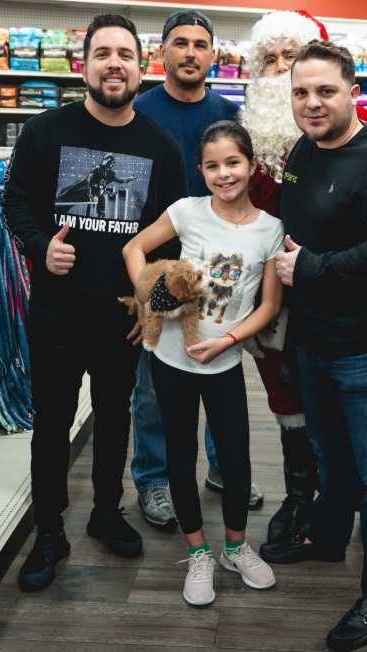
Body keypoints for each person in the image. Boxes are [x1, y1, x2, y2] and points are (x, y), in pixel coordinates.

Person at [2, 13, 188, 591]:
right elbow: (16, 205)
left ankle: (106, 512)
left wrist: (153, 305)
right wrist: (40, 249)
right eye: (103, 53)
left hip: (122, 318)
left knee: (114, 420)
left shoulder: (160, 146)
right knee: (51, 425)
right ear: (84, 64)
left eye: (125, 55)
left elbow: (177, 236)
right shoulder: (44, 132)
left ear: (141, 67)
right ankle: (49, 531)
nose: (115, 64)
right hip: (57, 311)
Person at [259, 40, 367, 652]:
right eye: (301, 92)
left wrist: (315, 270)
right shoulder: (302, 149)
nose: (312, 103)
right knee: (329, 452)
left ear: (355, 93)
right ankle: (327, 539)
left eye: (325, 91)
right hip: (316, 338)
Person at [239, 9, 367, 544]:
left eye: (291, 57)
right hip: (270, 290)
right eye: (270, 60)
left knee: (337, 404)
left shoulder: (362, 128)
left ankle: (334, 502)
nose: (281, 71)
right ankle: (300, 496)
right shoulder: (251, 134)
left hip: (339, 294)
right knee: (284, 394)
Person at [123, 120, 284, 606]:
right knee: (179, 458)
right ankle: (198, 553)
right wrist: (151, 296)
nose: (223, 173)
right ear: (201, 170)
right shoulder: (187, 212)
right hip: (171, 361)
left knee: (236, 463)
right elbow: (134, 248)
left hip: (224, 363)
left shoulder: (271, 230)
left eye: (233, 163)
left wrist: (228, 340)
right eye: (212, 165)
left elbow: (270, 307)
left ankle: (236, 547)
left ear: (251, 166)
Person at [131, 9, 262, 529]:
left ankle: (224, 470)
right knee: (153, 385)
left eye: (200, 44)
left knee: (217, 364)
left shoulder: (228, 111)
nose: (190, 52)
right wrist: (142, 291)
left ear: (214, 55)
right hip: (161, 264)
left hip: (219, 268)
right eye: (179, 43)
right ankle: (155, 479)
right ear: (161, 52)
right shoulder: (139, 111)